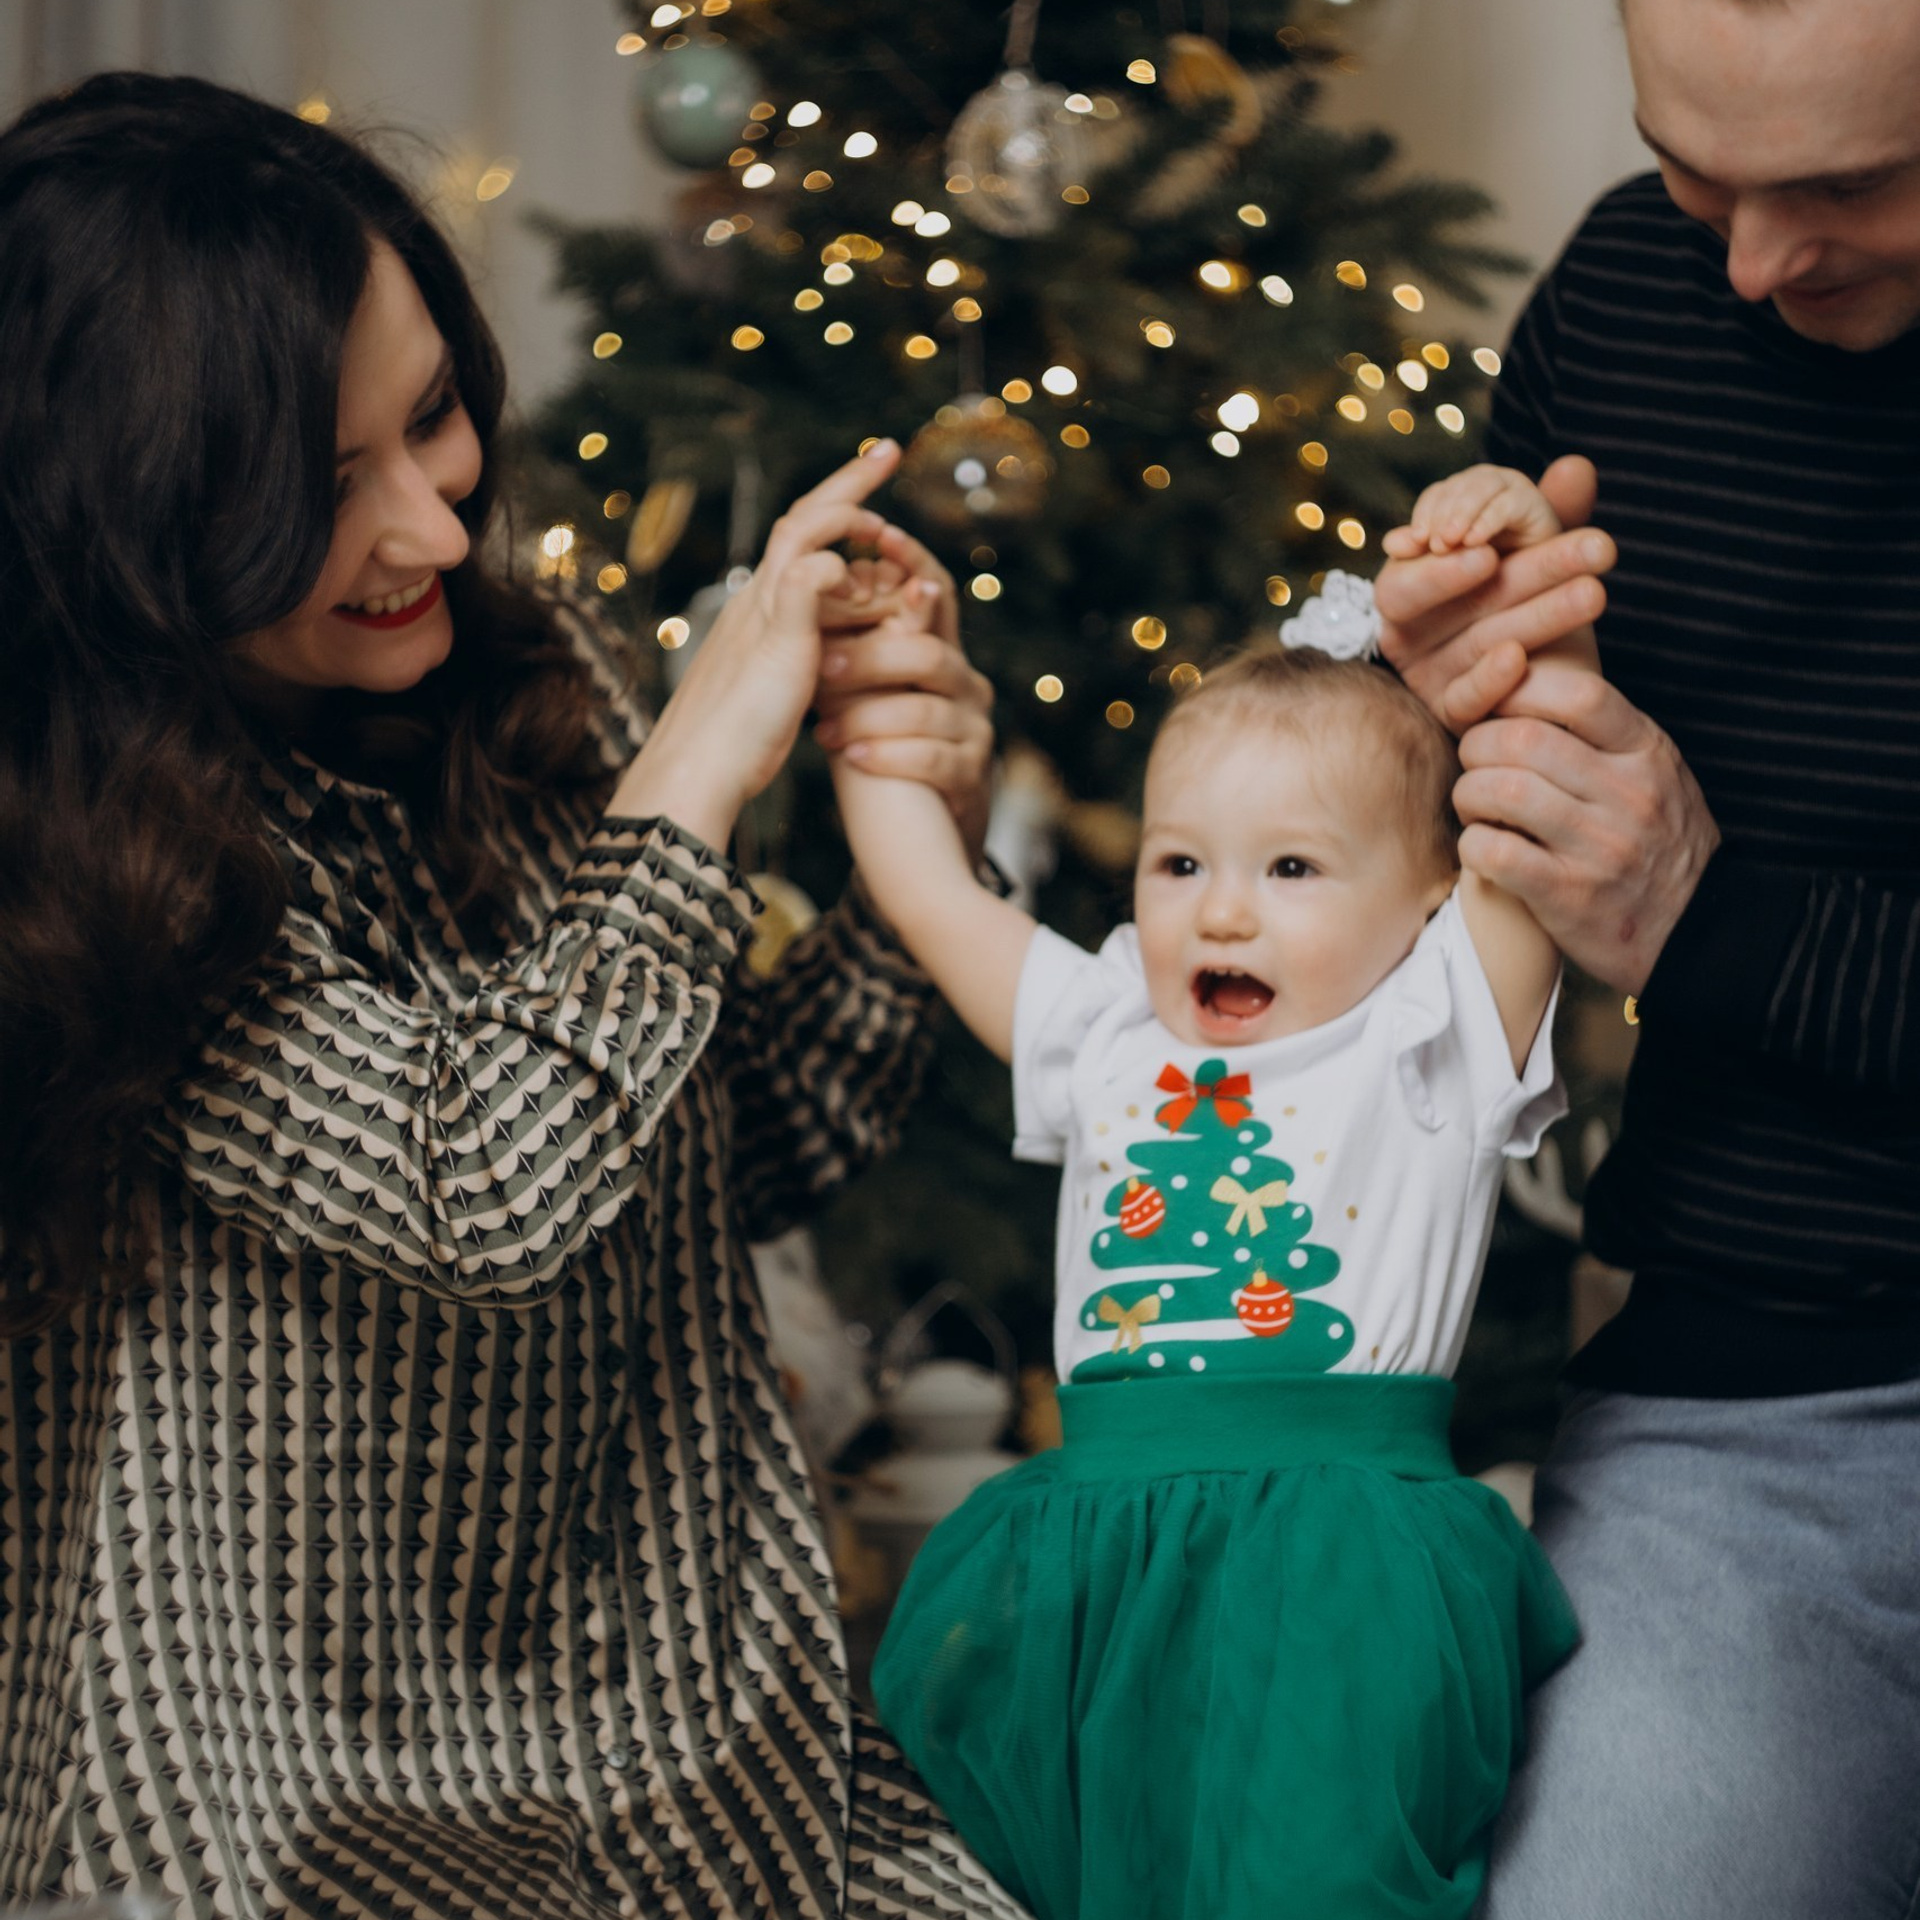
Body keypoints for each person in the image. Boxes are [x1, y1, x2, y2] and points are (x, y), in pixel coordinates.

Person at [0, 73, 1029, 1920]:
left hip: (705, 1759)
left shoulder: (540, 689)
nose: (431, 529)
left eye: (436, 419)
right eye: (323, 488)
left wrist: (918, 845)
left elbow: (718, 1158)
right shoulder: (92, 871)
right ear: (134, 519)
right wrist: (704, 763)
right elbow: (479, 1182)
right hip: (289, 1806)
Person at [821, 468, 1589, 1920]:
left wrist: (1534, 605)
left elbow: (1543, 815)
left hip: (1333, 1559)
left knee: (1306, 1878)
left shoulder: (1433, 1030)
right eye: (1180, 861)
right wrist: (865, 701)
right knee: (1075, 1873)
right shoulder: (1110, 1025)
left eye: (1293, 866)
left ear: (1431, 894)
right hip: (1096, 1553)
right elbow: (933, 896)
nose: (1220, 908)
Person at [1369, 1, 1920, 1912]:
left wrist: (1704, 919)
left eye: (1853, 183)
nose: (1756, 266)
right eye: (1702, 170)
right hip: (1750, 1392)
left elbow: (1678, 906)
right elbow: (1433, 876)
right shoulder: (1627, 280)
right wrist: (1445, 713)